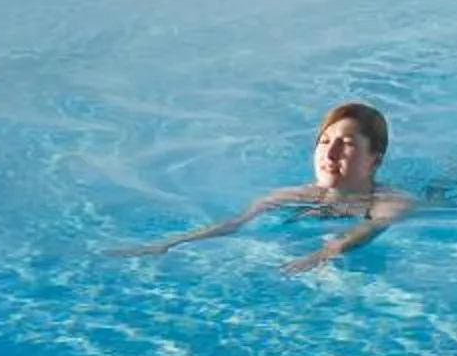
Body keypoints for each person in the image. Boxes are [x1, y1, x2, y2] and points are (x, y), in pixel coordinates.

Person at [108, 101, 416, 274]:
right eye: (323, 142)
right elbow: (233, 224)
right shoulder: (289, 196)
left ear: (374, 160)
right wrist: (169, 243)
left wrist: (322, 254)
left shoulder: (390, 201)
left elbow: (369, 228)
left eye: (346, 144)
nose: (330, 154)